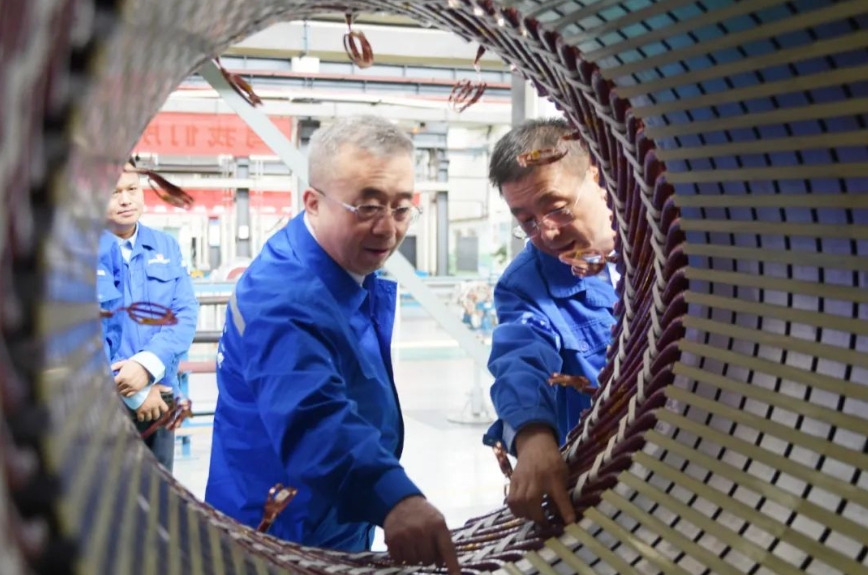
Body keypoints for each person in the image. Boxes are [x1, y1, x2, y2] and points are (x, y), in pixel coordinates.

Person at [205, 116, 459, 573]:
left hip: (335, 517)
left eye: (402, 209)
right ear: (313, 202)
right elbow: (313, 418)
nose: (388, 229)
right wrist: (394, 498)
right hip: (280, 534)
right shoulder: (282, 297)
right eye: (368, 207)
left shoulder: (345, 271)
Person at [482, 118, 620, 526]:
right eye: (527, 221)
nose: (547, 233)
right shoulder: (527, 284)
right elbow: (521, 357)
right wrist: (533, 435)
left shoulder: (677, 243)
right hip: (608, 484)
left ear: (597, 177)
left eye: (557, 208)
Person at [103, 158, 199, 471]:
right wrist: (134, 392)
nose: (125, 200)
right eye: (114, 192)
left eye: (132, 189)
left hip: (161, 396)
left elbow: (184, 313)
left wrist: (148, 366)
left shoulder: (166, 247)